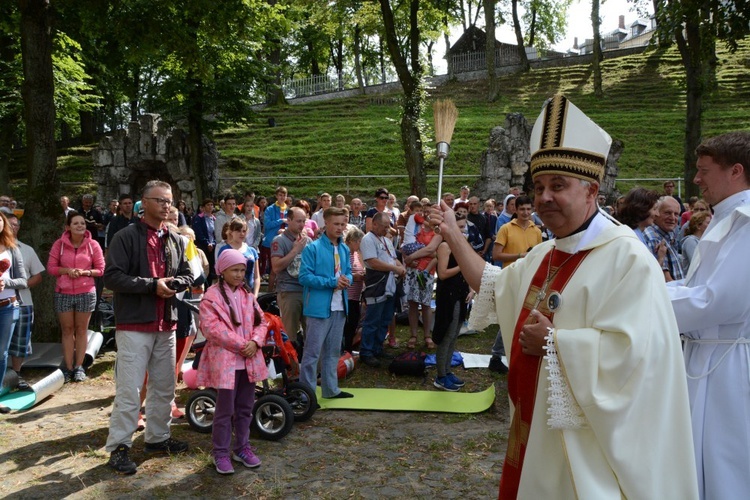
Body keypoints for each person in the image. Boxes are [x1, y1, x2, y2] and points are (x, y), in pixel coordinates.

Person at [429, 94, 697, 498]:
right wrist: (451, 231)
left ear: (592, 191)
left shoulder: (628, 260)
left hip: (589, 451)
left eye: (558, 185)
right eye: (538, 187)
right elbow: (491, 283)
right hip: (534, 431)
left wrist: (555, 343)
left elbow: (641, 359)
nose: (544, 197)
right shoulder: (545, 253)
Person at [666, 131, 750, 500]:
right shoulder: (726, 217)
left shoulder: (746, 222)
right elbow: (695, 284)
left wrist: (644, 304)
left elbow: (719, 300)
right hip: (707, 353)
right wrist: (651, 290)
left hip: (729, 361)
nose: (696, 179)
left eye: (703, 170)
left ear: (735, 171)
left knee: (724, 460)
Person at [104, 180, 194, 475]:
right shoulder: (125, 236)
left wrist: (173, 284)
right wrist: (151, 286)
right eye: (160, 200)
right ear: (144, 202)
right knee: (130, 388)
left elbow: (188, 274)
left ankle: (157, 438)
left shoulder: (177, 239)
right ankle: (119, 447)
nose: (167, 205)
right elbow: (112, 277)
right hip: (134, 324)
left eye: (170, 201)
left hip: (166, 323)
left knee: (165, 386)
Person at [197, 249, 267, 474]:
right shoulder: (211, 297)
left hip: (248, 360)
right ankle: (220, 452)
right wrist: (242, 344)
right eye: (234, 270)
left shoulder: (248, 295)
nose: (239, 275)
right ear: (222, 271)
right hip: (227, 362)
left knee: (245, 407)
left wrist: (255, 342)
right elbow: (212, 329)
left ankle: (242, 447)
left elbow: (262, 322)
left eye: (242, 270)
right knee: (225, 410)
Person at [298, 207, 353, 399]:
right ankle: (307, 395)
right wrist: (332, 282)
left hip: (340, 307)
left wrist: (348, 280)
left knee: (332, 352)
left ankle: (331, 390)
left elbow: (348, 272)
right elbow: (304, 277)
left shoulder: (345, 248)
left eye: (342, 224)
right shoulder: (312, 248)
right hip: (318, 308)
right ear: (326, 223)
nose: (340, 228)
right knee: (312, 354)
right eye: (336, 224)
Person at [47, 212, 105, 383]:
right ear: (68, 227)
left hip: (86, 292)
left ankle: (79, 367)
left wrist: (85, 272)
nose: (80, 226)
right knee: (67, 330)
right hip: (63, 292)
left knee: (81, 330)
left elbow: (101, 269)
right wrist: (66, 271)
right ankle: (68, 367)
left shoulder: (93, 244)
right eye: (76, 223)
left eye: (82, 223)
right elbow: (51, 268)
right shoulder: (59, 244)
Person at [359, 212, 405, 367]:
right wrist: (394, 268)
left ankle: (377, 348)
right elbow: (373, 262)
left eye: (388, 227)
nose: (386, 230)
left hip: (390, 285)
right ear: (375, 224)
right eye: (384, 227)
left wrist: (401, 266)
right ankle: (366, 352)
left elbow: (393, 257)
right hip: (377, 285)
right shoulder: (367, 240)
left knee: (385, 318)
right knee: (373, 320)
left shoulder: (386, 240)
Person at [432, 210, 471, 392]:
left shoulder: (461, 245)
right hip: (447, 296)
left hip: (460, 294)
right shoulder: (445, 247)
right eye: (460, 227)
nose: (463, 231)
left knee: (455, 334)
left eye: (465, 227)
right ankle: (440, 376)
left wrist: (471, 289)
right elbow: (443, 273)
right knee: (446, 335)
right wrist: (461, 265)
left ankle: (447, 371)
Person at [5, 214, 44, 392]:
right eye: (9, 224)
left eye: (15, 225)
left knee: (20, 341)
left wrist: (20, 285)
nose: (12, 227)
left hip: (23, 301)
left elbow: (38, 275)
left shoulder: (26, 250)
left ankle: (17, 374)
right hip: (2, 302)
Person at [0, 212, 27, 414]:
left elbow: (23, 281)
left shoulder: (12, 248)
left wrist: (5, 282)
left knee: (1, 354)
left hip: (7, 307)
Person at [270, 207, 309, 341]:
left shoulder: (307, 240)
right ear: (288, 220)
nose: (302, 224)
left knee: (311, 334)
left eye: (304, 221)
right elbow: (276, 267)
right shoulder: (279, 240)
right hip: (289, 291)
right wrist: (295, 251)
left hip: (307, 290)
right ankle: (290, 362)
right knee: (289, 336)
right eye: (298, 221)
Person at [492, 195, 542, 267]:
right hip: (511, 275)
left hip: (529, 274)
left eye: (528, 209)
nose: (525, 212)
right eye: (522, 209)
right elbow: (496, 255)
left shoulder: (537, 231)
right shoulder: (505, 229)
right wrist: (520, 255)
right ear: (516, 210)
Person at [215, 218, 261, 296]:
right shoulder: (225, 250)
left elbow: (256, 276)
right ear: (231, 232)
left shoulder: (252, 251)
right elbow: (220, 274)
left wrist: (255, 295)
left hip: (249, 292)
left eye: (244, 231)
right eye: (238, 231)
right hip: (230, 293)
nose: (242, 234)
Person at [643, 196, 684, 281]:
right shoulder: (653, 237)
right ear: (656, 213)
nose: (672, 218)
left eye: (676, 214)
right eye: (668, 213)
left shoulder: (669, 234)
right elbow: (664, 278)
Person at [262, 186, 290, 290]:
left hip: (284, 242)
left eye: (284, 195)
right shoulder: (270, 209)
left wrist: (285, 229)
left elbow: (290, 226)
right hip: (271, 242)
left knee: (281, 269)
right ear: (276, 196)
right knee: (273, 269)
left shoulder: (288, 210)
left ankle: (280, 291)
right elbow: (267, 225)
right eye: (280, 195)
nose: (282, 197)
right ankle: (269, 291)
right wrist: (281, 221)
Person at [343, 226, 365, 353]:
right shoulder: (345, 253)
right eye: (359, 242)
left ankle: (348, 347)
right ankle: (345, 348)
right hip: (347, 296)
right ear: (352, 241)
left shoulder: (356, 254)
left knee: (353, 323)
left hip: (355, 296)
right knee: (348, 324)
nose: (360, 245)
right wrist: (355, 276)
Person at [193, 198, 217, 283]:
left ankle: (209, 286)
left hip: (213, 246)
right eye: (208, 205)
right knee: (203, 266)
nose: (210, 207)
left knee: (211, 267)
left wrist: (213, 243)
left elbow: (216, 233)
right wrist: (207, 243)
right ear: (203, 207)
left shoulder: (214, 219)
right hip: (203, 246)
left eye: (211, 205)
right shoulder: (198, 218)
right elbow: (198, 233)